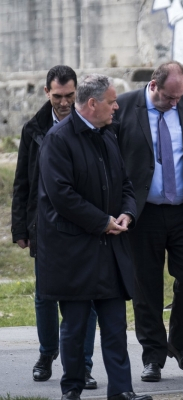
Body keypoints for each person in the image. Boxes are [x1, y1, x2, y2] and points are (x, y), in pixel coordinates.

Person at [36, 74, 150, 400]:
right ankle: (71, 390)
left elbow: (125, 183)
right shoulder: (58, 139)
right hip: (73, 252)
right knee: (74, 329)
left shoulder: (108, 135)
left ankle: (122, 392)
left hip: (110, 250)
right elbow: (61, 195)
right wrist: (102, 221)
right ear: (92, 103)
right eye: (112, 101)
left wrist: (128, 212)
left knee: (115, 328)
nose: (117, 107)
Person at [114, 61, 183, 382]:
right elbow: (114, 162)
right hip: (144, 213)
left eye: (180, 96)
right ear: (153, 86)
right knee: (146, 286)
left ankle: (180, 345)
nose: (175, 103)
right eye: (170, 97)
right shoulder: (125, 107)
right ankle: (152, 356)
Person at [11, 65, 98, 389]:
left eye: (70, 96)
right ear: (47, 92)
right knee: (45, 297)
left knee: (86, 297)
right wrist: (20, 227)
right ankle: (47, 353)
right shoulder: (33, 128)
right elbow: (22, 182)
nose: (64, 102)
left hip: (84, 225)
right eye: (58, 96)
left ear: (78, 94)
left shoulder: (92, 125)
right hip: (44, 227)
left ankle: (84, 366)